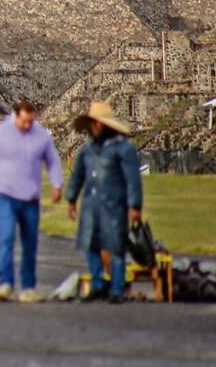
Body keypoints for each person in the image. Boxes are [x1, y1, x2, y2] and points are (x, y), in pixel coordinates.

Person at [0, 100, 63, 303]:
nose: (28, 125)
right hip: (6, 195)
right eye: (24, 121)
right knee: (7, 239)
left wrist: (57, 184)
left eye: (31, 121)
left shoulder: (42, 136)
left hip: (31, 197)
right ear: (16, 115)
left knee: (30, 244)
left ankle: (28, 287)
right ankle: (6, 284)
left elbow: (53, 161)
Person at [66, 101, 143, 304]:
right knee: (91, 245)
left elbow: (132, 179)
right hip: (91, 204)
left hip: (114, 204)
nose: (95, 126)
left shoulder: (123, 148)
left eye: (98, 123)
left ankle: (117, 288)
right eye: (93, 123)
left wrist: (135, 206)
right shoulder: (88, 148)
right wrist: (71, 199)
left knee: (116, 246)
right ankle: (98, 283)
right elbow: (78, 176)